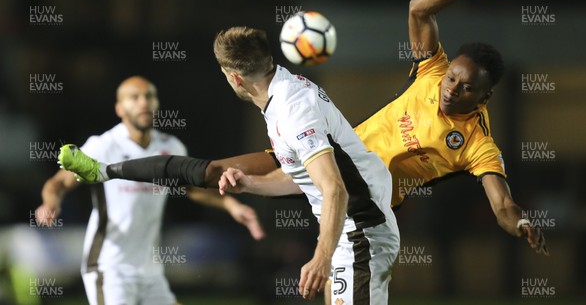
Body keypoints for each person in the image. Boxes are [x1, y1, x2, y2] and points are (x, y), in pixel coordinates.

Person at [58, 31, 401, 305]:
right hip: (349, 232)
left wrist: (321, 255)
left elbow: (333, 188)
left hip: (360, 234)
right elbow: (306, 178)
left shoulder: (294, 111)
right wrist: (250, 184)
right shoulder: (282, 95)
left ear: (235, 78)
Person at [353, 0, 548, 255]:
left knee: (344, 288)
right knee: (254, 175)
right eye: (452, 77)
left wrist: (520, 222)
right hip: (338, 157)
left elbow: (503, 204)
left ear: (483, 98)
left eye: (466, 87)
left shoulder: (477, 144)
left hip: (364, 203)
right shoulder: (432, 71)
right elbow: (418, 8)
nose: (452, 88)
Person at [35, 76, 265, 305]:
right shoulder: (103, 145)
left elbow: (190, 188)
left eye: (149, 96)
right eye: (134, 97)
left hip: (150, 270)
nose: (143, 102)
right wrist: (50, 202)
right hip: (110, 267)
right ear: (119, 108)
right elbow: (59, 182)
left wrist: (231, 204)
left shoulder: (171, 146)